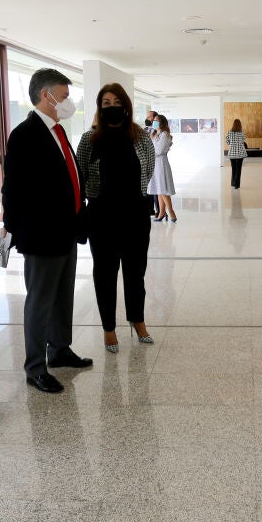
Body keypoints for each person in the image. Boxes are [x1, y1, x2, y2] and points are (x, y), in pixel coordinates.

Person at [2, 68, 93, 394]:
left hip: (66, 230)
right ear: (46, 95)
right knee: (40, 301)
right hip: (42, 236)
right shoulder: (25, 134)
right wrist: (16, 232)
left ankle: (59, 349)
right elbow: (13, 189)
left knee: (62, 295)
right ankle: (35, 367)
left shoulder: (58, 130)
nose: (68, 102)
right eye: (64, 96)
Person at [75, 83, 155, 354]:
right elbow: (81, 174)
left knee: (136, 272)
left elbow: (148, 170)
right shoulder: (89, 139)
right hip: (102, 216)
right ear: (100, 108)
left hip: (136, 215)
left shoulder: (140, 137)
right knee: (105, 273)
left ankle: (138, 320)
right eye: (106, 103)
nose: (112, 107)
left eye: (116, 103)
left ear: (126, 106)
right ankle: (108, 328)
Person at [149, 114, 177, 222]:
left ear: (162, 123)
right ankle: (161, 213)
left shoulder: (164, 135)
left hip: (161, 163)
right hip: (155, 163)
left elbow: (159, 150)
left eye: (156, 120)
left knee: (163, 189)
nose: (154, 122)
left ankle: (171, 212)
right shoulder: (156, 134)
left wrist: (149, 152)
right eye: (154, 120)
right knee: (159, 189)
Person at [143, 110, 159, 216]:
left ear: (154, 118)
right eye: (147, 116)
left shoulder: (157, 130)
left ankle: (159, 210)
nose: (147, 118)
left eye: (149, 117)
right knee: (148, 186)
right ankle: (150, 209)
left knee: (156, 186)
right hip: (146, 161)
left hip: (156, 161)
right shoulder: (145, 129)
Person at [225, 119, 248, 189]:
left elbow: (227, 141)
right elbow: (243, 141)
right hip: (240, 153)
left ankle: (233, 183)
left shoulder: (229, 132)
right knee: (239, 169)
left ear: (233, 124)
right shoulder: (242, 132)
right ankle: (237, 185)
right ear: (240, 124)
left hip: (232, 153)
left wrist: (232, 144)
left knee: (233, 168)